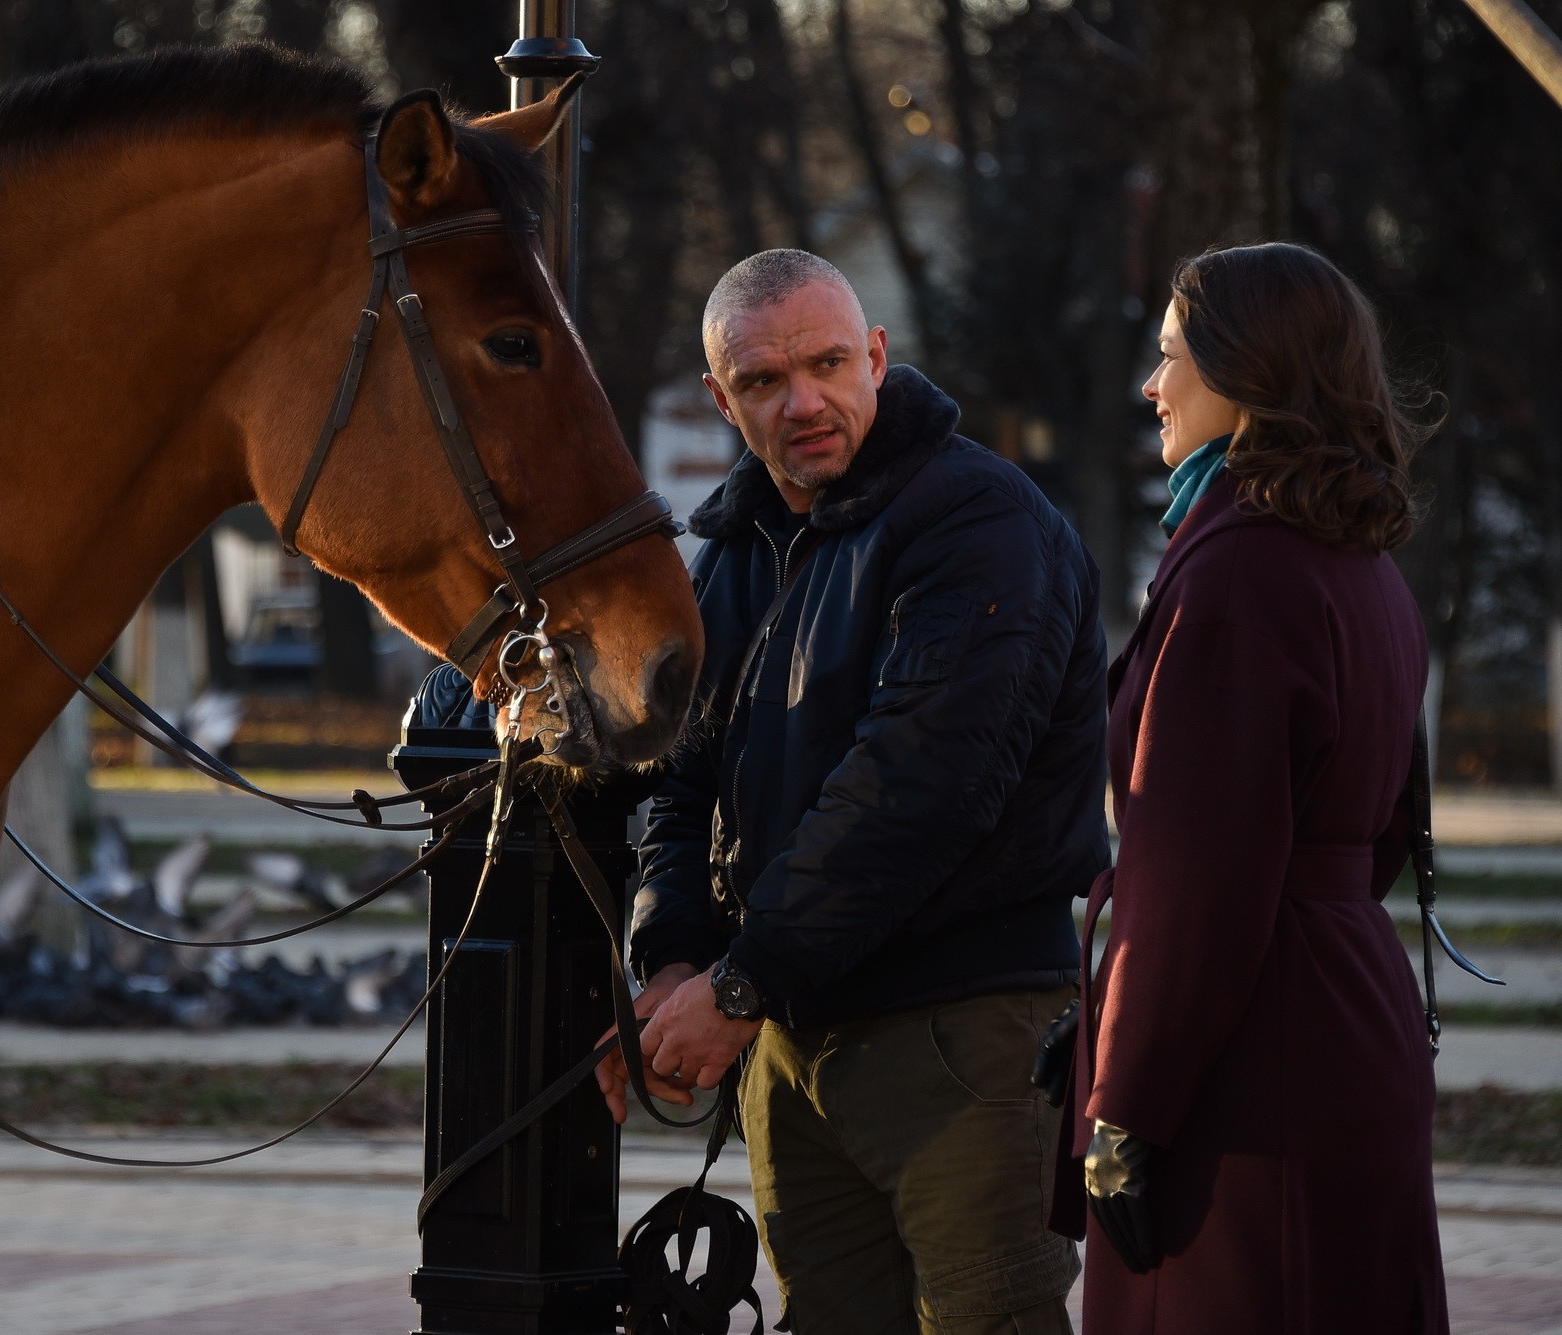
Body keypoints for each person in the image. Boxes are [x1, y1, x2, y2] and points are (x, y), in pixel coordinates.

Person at [607, 249, 1109, 1334]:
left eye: (828, 363)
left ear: (876, 356)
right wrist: (671, 966)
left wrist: (735, 991)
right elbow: (683, 780)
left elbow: (914, 793)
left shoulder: (978, 523)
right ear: (718, 398)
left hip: (959, 1032)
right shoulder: (737, 545)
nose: (804, 403)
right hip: (789, 1038)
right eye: (761, 382)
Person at [1054, 241, 1449, 1332]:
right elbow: (1373, 841)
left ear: (1243, 372)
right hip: (1339, 1020)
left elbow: (1192, 883)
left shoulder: (1236, 569)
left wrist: (1124, 1110)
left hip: (1245, 1075)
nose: (1150, 386)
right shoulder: (1355, 559)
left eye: (1170, 356)